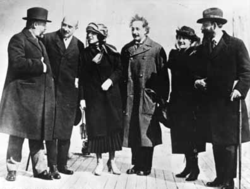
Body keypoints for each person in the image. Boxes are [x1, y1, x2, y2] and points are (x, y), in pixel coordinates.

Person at [195, 7, 250, 189]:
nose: (203, 28)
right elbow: (200, 72)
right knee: (217, 143)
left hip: (230, 103)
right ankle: (220, 178)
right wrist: (198, 81)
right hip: (211, 103)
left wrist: (240, 90)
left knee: (229, 145)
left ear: (216, 25)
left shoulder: (235, 44)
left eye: (206, 24)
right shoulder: (204, 47)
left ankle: (229, 181)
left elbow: (246, 72)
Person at [0, 7, 55, 181]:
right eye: (43, 25)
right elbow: (16, 63)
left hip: (36, 99)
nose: (45, 28)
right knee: (17, 134)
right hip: (21, 98)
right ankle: (12, 169)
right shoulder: (18, 39)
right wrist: (40, 66)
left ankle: (40, 169)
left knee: (37, 134)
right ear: (34, 24)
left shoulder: (39, 42)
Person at [121, 14, 169, 176]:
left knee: (146, 134)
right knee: (134, 132)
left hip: (148, 99)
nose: (134, 32)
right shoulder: (127, 49)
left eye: (138, 29)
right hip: (131, 98)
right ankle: (136, 164)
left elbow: (163, 78)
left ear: (146, 30)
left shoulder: (156, 49)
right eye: (132, 29)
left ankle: (146, 166)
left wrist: (161, 99)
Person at [42, 16, 84, 178]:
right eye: (64, 25)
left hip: (69, 96)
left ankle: (62, 164)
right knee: (52, 132)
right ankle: (52, 166)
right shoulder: (48, 38)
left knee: (65, 131)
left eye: (70, 26)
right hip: (51, 92)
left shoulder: (79, 45)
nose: (66, 29)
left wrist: (80, 98)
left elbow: (80, 74)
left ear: (76, 28)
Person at [79, 22, 123, 176]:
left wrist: (110, 80)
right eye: (88, 32)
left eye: (93, 33)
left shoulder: (111, 51)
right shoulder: (84, 54)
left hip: (111, 97)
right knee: (96, 130)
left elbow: (120, 69)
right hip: (94, 98)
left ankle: (112, 161)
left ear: (100, 35)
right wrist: (82, 98)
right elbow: (82, 77)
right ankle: (99, 163)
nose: (89, 35)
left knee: (112, 129)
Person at [167, 26, 206, 181]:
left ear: (191, 40)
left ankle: (195, 168)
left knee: (192, 136)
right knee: (181, 135)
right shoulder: (175, 54)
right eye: (179, 38)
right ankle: (188, 166)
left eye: (185, 38)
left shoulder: (197, 54)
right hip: (177, 100)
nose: (181, 41)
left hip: (192, 102)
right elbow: (171, 64)